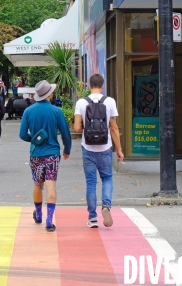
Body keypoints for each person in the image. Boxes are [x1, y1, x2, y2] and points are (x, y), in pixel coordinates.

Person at [19, 80, 71, 232]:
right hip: (53, 154)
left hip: (36, 154)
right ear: (49, 94)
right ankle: (49, 220)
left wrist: (34, 140)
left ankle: (39, 214)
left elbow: (22, 134)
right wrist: (67, 149)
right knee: (51, 185)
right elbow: (66, 134)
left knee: (37, 185)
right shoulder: (56, 111)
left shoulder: (28, 111)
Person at [73, 74, 124, 228]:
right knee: (107, 178)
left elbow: (76, 128)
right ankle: (106, 206)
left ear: (89, 86)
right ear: (103, 86)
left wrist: (87, 129)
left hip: (87, 148)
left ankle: (92, 218)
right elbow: (113, 128)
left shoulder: (81, 102)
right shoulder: (109, 102)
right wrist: (119, 150)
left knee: (90, 183)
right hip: (105, 148)